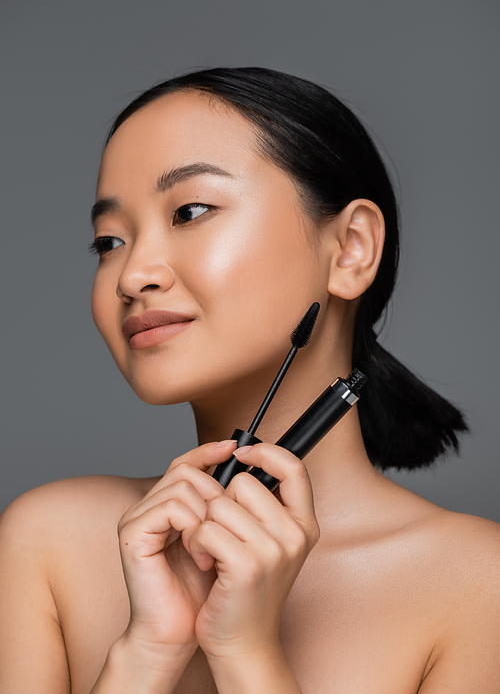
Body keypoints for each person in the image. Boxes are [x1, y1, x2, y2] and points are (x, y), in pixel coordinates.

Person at [1, 67, 499, 694]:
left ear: (349, 249)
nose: (132, 275)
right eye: (108, 242)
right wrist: (147, 653)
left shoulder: (479, 583)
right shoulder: (48, 540)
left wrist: (245, 653)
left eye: (190, 210)